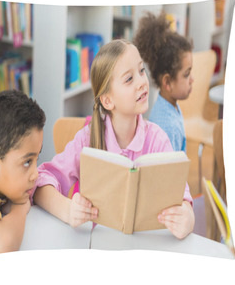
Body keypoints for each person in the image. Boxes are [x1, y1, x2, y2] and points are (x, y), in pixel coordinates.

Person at [36, 39, 195, 239]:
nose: (141, 82)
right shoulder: (87, 138)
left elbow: (184, 199)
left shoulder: (157, 139)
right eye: (129, 79)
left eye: (141, 71)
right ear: (108, 100)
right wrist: (68, 211)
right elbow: (41, 183)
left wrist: (187, 219)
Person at [0, 90, 50, 255]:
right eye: (27, 162)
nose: (35, 174)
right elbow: (1, 245)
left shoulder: (5, 181)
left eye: (36, 159)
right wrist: (19, 207)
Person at [133, 12, 193, 152]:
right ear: (167, 82)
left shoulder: (169, 106)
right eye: (186, 74)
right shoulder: (168, 127)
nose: (192, 79)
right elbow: (169, 172)